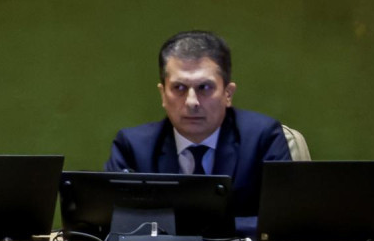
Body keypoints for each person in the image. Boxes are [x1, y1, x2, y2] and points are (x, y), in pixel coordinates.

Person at [104, 30, 290, 228]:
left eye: (205, 88)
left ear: (228, 93)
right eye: (179, 88)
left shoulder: (263, 138)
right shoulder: (133, 147)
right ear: (163, 94)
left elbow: (284, 221)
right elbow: (114, 225)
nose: (192, 102)